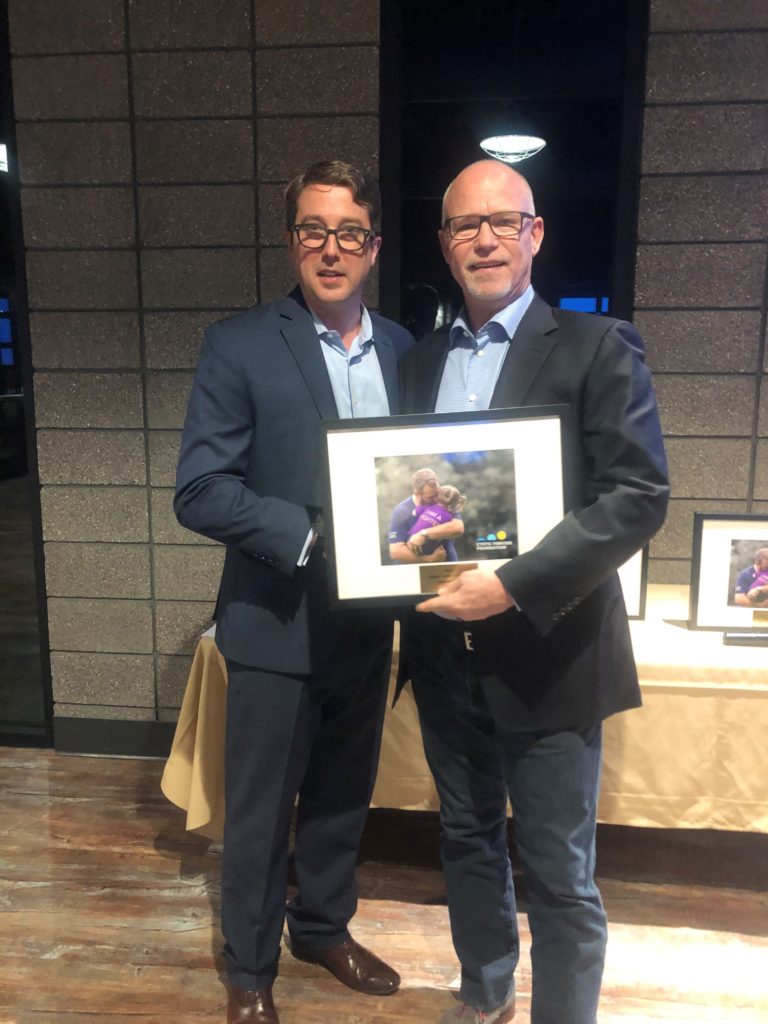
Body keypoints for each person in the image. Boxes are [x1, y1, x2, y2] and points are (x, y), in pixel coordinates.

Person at [397, 160, 669, 1024]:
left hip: (552, 658)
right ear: (444, 245)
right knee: (467, 839)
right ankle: (483, 994)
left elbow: (637, 496)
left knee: (558, 870)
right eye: (464, 226)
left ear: (535, 233)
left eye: (502, 222)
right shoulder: (420, 361)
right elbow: (400, 491)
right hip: (444, 657)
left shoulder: (597, 345)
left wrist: (510, 587)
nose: (484, 239)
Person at [174, 160, 412, 1024]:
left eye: (350, 232)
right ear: (291, 242)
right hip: (274, 621)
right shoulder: (238, 343)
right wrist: (311, 532)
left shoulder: (401, 348)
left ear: (374, 247)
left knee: (345, 795)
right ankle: (248, 965)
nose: (331, 248)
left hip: (368, 624)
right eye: (313, 230)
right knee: (262, 810)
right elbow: (199, 488)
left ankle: (323, 927)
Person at [388, 467, 464, 564]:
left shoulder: (444, 499)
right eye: (431, 496)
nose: (436, 498)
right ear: (417, 493)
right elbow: (396, 552)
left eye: (437, 492)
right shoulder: (402, 511)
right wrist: (430, 560)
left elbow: (458, 528)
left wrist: (423, 534)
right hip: (415, 571)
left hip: (447, 566)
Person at [407, 484, 466, 558]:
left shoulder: (430, 506)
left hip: (413, 541)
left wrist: (423, 533)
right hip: (432, 549)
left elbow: (458, 528)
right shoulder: (449, 515)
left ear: (436, 497)